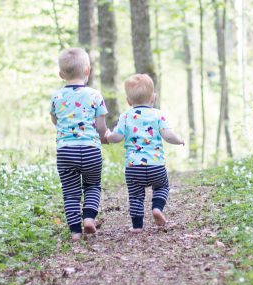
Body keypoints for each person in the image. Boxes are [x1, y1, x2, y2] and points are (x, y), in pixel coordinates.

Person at [104, 74, 184, 233]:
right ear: (153, 97)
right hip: (156, 166)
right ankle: (157, 208)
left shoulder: (125, 116)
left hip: (134, 167)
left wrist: (107, 136)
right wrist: (179, 140)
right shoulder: (158, 115)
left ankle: (137, 226)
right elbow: (168, 135)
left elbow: (117, 137)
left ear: (128, 101)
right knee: (162, 186)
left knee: (135, 196)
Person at [50, 47, 109, 241]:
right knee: (92, 185)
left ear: (61, 74)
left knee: (70, 192)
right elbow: (101, 125)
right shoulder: (94, 95)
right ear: (87, 71)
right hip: (91, 150)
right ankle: (89, 218)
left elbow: (55, 120)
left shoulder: (57, 96)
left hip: (66, 152)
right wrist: (103, 136)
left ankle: (75, 231)